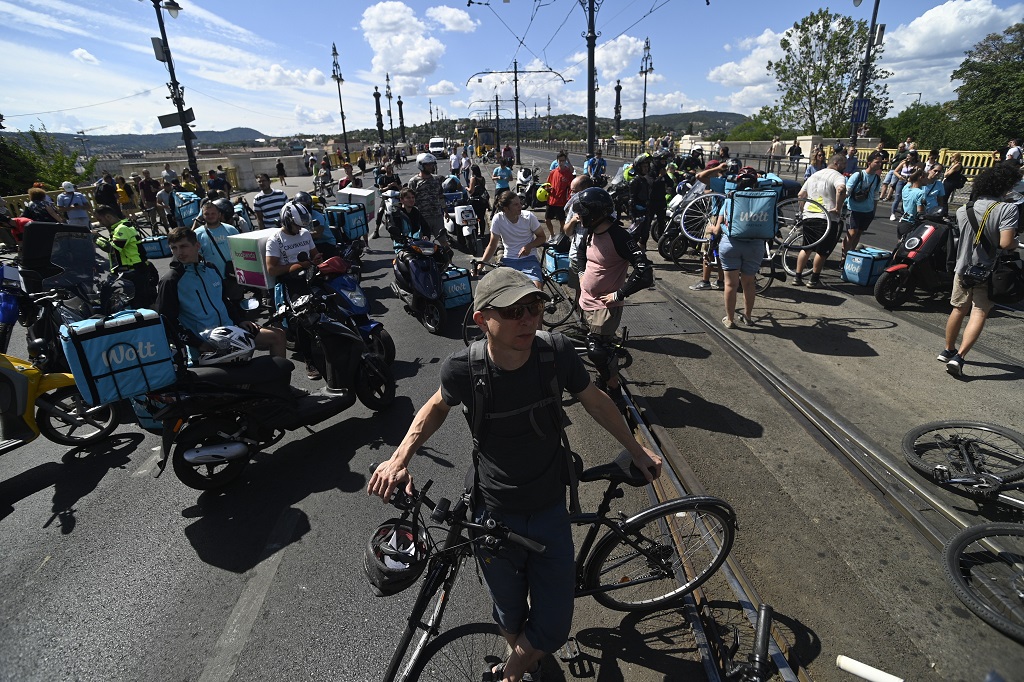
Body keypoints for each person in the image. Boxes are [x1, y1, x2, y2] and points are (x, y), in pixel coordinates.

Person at [368, 266, 662, 682]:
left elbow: (596, 402)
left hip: (548, 509)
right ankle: (527, 661)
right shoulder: (463, 369)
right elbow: (435, 407)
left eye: (534, 307)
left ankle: (511, 670)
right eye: (512, 312)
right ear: (482, 319)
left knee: (556, 623)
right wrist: (400, 458)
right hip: (491, 514)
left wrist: (637, 448)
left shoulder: (555, 352)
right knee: (508, 610)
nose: (527, 320)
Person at [156, 227, 284, 364]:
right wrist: (199, 344)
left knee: (278, 336)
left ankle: (281, 385)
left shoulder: (211, 268)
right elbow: (167, 322)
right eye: (174, 248)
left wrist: (240, 320)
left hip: (231, 331)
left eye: (183, 246)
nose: (179, 252)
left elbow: (224, 301)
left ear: (197, 245)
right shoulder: (170, 280)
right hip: (205, 342)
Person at [939, 163, 1020, 376]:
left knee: (958, 309)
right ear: (1005, 186)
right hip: (988, 269)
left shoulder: (963, 209)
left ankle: (947, 350)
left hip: (963, 267)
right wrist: (1015, 241)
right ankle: (960, 357)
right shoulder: (1007, 209)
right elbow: (1005, 243)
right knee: (979, 311)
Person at [576, 187, 654, 405]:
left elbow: (645, 272)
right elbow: (582, 252)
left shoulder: (619, 236)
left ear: (596, 213)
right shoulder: (590, 230)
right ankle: (604, 377)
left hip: (605, 306)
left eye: (582, 213)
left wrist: (619, 293)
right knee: (598, 346)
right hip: (586, 301)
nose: (578, 217)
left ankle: (614, 390)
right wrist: (582, 274)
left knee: (597, 351)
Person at [265, 202, 324, 380]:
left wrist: (317, 259)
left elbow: (315, 254)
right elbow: (271, 269)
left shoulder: (305, 233)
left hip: (310, 275)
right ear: (286, 220)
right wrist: (298, 265)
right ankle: (309, 361)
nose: (300, 228)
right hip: (290, 283)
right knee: (301, 318)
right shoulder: (275, 240)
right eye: (297, 225)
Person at [708, 171, 765, 328]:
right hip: (754, 245)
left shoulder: (730, 199)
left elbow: (718, 229)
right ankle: (748, 317)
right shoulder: (764, 199)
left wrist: (711, 228)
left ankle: (730, 319)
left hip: (731, 245)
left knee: (730, 284)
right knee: (749, 283)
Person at [793, 153, 847, 288]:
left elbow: (801, 195)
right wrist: (838, 208)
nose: (844, 168)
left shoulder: (814, 175)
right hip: (826, 218)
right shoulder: (838, 176)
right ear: (837, 163)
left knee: (806, 248)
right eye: (843, 165)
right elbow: (841, 189)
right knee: (822, 252)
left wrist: (803, 210)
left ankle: (797, 277)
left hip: (809, 216)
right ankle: (813, 279)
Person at [93, 204, 157, 308]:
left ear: (108, 217)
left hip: (135, 271)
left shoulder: (122, 228)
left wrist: (95, 238)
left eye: (100, 220)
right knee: (135, 303)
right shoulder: (116, 229)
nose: (100, 223)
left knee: (143, 303)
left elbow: (112, 249)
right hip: (128, 271)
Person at [479, 191, 547, 284]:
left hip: (529, 259)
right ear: (506, 208)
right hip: (508, 260)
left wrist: (529, 246)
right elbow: (492, 245)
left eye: (520, 203)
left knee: (536, 286)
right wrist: (480, 266)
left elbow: (542, 237)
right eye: (516, 204)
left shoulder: (529, 217)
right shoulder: (498, 219)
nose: (520, 206)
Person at [842, 152, 884, 257]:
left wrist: (874, 210)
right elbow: (847, 191)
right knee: (852, 233)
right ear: (869, 162)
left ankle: (851, 254)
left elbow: (875, 196)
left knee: (858, 234)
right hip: (853, 209)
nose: (879, 164)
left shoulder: (877, 178)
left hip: (867, 211)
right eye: (877, 162)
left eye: (880, 162)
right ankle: (844, 256)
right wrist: (840, 204)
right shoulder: (858, 175)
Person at [562, 174, 594, 305]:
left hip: (594, 257)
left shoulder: (599, 204)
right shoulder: (574, 206)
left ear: (585, 190)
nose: (571, 194)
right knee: (579, 289)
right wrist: (574, 221)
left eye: (574, 191)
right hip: (576, 256)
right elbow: (567, 231)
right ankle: (578, 312)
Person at [194, 199, 240, 286]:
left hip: (232, 276)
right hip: (211, 278)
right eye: (207, 214)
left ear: (219, 214)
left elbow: (240, 251)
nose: (210, 216)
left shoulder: (231, 229)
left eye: (213, 213)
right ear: (203, 216)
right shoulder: (197, 234)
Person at [408, 153, 447, 245]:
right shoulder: (414, 181)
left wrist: (445, 211)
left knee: (444, 244)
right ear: (421, 165)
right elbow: (409, 201)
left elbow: (440, 196)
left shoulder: (437, 179)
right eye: (428, 165)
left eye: (432, 164)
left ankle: (448, 260)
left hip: (437, 216)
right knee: (422, 245)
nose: (431, 167)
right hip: (422, 218)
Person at [543, 150, 574, 242]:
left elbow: (571, 188)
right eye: (560, 161)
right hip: (551, 201)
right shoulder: (553, 172)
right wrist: (547, 189)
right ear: (557, 161)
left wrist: (569, 199)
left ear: (565, 161)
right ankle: (552, 235)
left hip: (561, 202)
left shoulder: (568, 173)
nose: (561, 162)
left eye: (563, 160)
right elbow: (547, 184)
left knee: (562, 222)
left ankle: (561, 237)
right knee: (547, 220)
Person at [889, 150, 920, 221]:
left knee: (906, 199)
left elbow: (919, 171)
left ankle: (903, 214)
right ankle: (893, 213)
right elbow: (895, 171)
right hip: (901, 180)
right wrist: (899, 176)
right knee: (897, 197)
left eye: (910, 156)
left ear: (913, 157)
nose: (908, 157)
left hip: (910, 182)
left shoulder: (917, 164)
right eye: (908, 156)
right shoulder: (904, 163)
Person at [897, 167, 928, 233]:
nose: (927, 179)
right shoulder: (920, 193)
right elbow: (920, 211)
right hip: (912, 223)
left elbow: (909, 180)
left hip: (902, 221)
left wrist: (915, 173)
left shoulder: (905, 188)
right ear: (921, 177)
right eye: (926, 177)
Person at [467, 164, 490, 238]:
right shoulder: (482, 178)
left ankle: (476, 233)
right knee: (481, 217)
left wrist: (466, 188)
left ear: (473, 171)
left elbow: (471, 191)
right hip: (482, 201)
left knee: (475, 217)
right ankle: (482, 233)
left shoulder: (473, 179)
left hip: (475, 201)